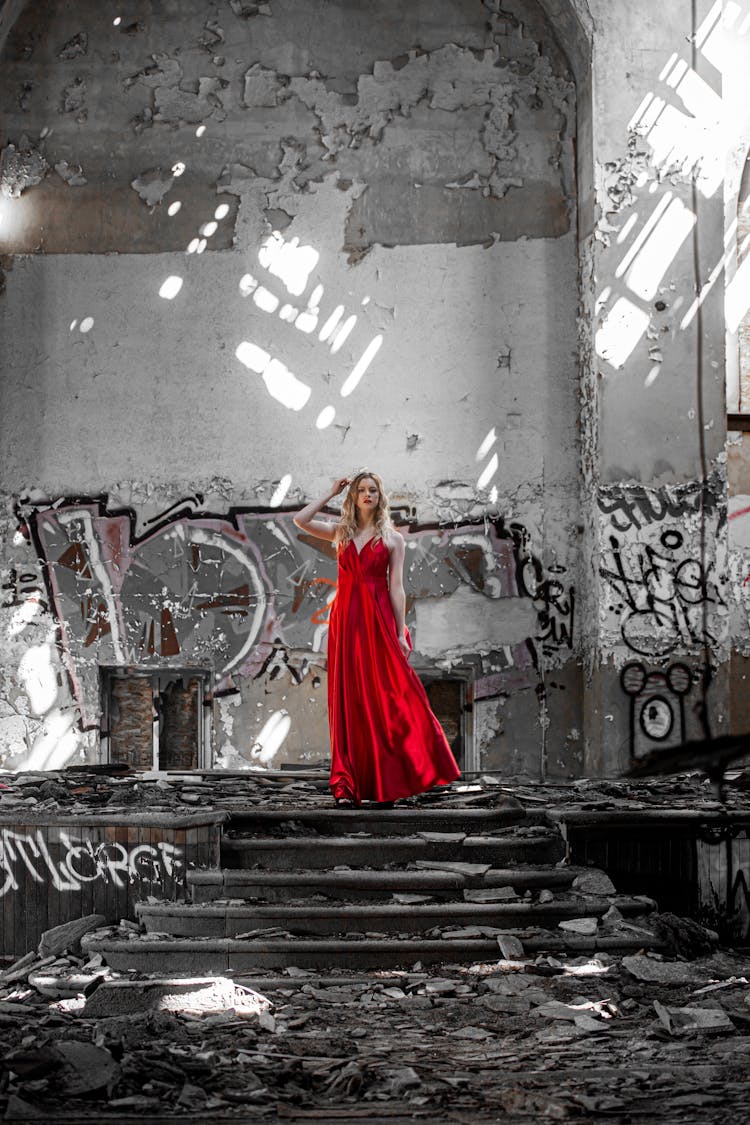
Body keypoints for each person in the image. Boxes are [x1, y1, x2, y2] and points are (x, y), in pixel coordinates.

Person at [293, 471, 461, 807]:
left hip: (378, 619)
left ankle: (389, 781)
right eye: (361, 490)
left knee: (387, 697)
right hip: (345, 622)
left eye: (372, 490)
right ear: (353, 497)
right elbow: (301, 519)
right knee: (348, 701)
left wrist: (400, 632)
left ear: (379, 497)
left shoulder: (392, 539)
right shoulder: (341, 532)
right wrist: (330, 492)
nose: (367, 495)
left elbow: (397, 588)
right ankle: (346, 784)